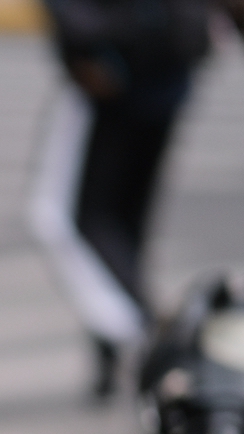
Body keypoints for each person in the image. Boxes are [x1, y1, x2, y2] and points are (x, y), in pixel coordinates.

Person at [27, 0, 244, 398]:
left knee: (74, 222)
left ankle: (152, 336)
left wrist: (84, 49)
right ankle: (115, 346)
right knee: (123, 223)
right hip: (165, 68)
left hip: (118, 71)